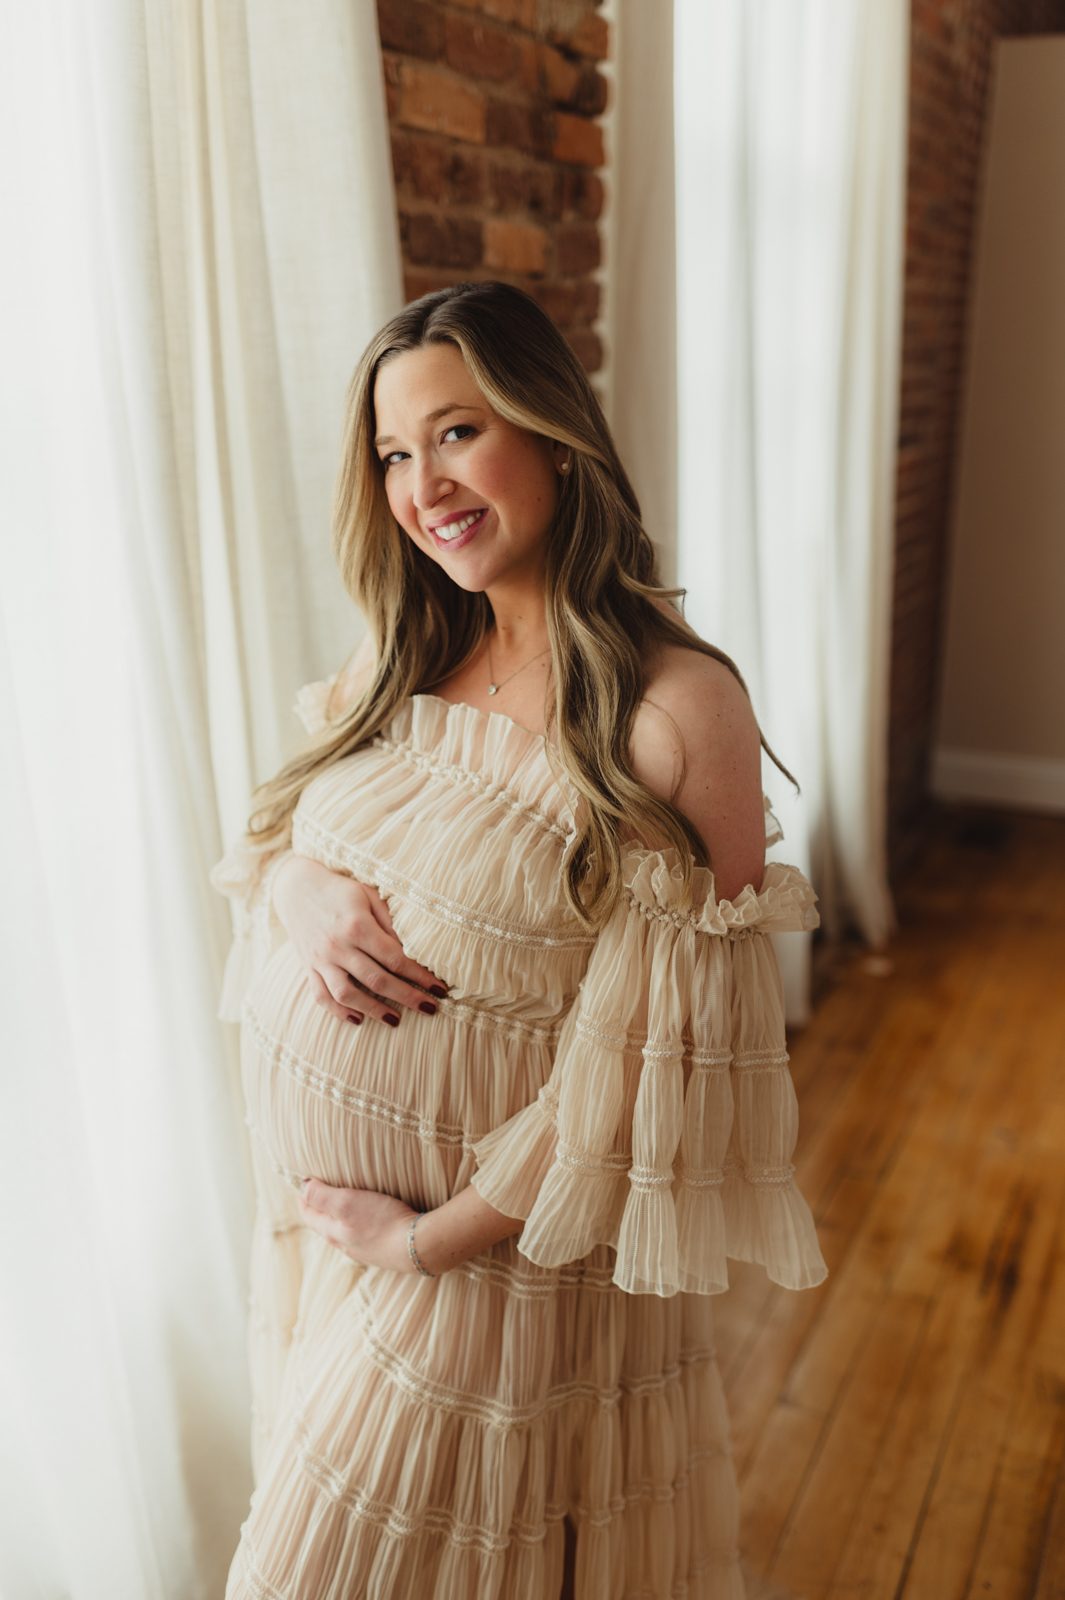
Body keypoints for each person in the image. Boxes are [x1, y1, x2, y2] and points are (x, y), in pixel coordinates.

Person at [210, 280, 828, 1600]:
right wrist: (300, 888)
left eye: (454, 431)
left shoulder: (675, 706)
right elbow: (275, 837)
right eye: (390, 452)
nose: (420, 483)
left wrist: (424, 1241)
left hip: (490, 1282)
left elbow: (654, 1076)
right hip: (337, 1250)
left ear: (552, 432)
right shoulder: (408, 655)